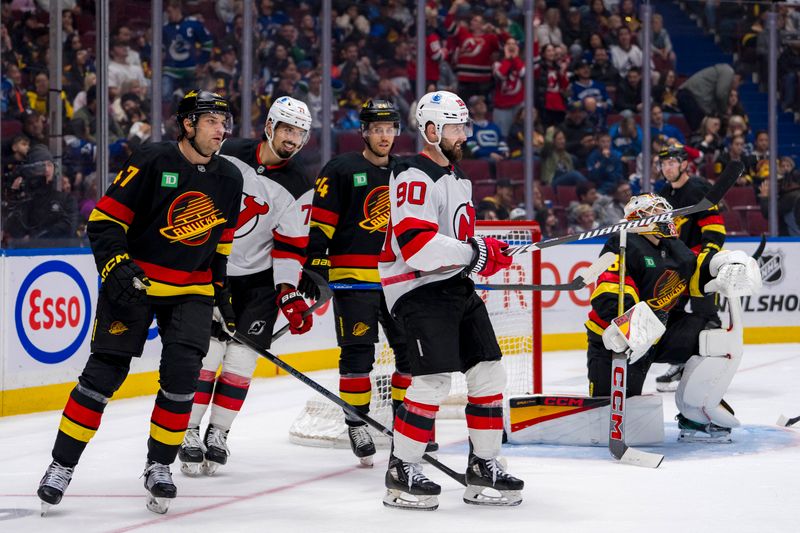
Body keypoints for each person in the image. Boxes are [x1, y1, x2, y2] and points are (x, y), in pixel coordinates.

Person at [36, 90, 244, 515]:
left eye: (224, 122)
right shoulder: (152, 160)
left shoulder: (230, 178)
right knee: (101, 377)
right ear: (187, 124)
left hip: (191, 289)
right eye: (211, 121)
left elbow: (221, 243)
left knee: (183, 380)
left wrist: (221, 293)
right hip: (136, 282)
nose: (221, 130)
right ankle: (61, 464)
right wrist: (117, 266)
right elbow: (104, 219)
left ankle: (159, 465)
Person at [379, 90, 523, 511]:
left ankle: (483, 465)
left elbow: (458, 246)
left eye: (464, 126)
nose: (464, 134)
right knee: (432, 381)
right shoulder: (411, 173)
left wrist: (479, 255)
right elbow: (417, 246)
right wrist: (474, 252)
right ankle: (402, 469)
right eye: (455, 127)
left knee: (490, 374)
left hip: (453, 288)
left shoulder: (461, 179)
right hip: (417, 289)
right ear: (430, 130)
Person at [178, 96, 315, 476]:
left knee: (241, 359)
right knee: (205, 354)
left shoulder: (301, 182)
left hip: (258, 281)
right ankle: (188, 430)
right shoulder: (230, 152)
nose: (292, 138)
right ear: (270, 126)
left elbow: (290, 245)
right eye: (287, 129)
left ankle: (218, 433)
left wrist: (287, 290)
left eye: (300, 132)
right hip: (210, 268)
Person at [586, 193, 760, 441]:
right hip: (617, 341)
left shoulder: (674, 247)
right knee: (607, 420)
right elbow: (608, 296)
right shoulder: (623, 244)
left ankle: (695, 415)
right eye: (656, 210)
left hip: (662, 330)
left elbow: (698, 269)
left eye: (665, 210)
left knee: (713, 337)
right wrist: (632, 325)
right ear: (638, 219)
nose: (665, 216)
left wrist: (724, 263)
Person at [297, 100, 413, 467]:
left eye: (389, 128)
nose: (383, 135)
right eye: (376, 128)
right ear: (363, 131)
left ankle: (405, 425)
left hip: (396, 281)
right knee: (358, 356)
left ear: (396, 131)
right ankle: (357, 422)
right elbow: (321, 224)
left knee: (412, 353)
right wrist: (315, 264)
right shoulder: (342, 169)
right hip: (352, 278)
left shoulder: (406, 171)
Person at [654, 145, 726, 391]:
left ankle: (712, 366)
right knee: (670, 315)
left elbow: (714, 227)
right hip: (674, 266)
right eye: (664, 164)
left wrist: (707, 255)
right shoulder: (663, 193)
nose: (667, 168)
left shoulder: (697, 189)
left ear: (684, 164)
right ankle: (679, 362)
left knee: (705, 315)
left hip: (696, 263)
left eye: (672, 162)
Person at [4, 144, 78, 242]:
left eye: (49, 165)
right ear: (30, 169)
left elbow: (69, 229)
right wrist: (13, 196)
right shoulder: (23, 198)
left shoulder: (66, 199)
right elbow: (13, 230)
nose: (47, 170)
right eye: (41, 165)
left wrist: (35, 237)